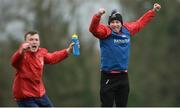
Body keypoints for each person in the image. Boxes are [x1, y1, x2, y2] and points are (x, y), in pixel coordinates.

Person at [89, 3, 161, 107]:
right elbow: (93, 29)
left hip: (123, 77)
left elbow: (140, 23)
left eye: (117, 22)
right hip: (108, 76)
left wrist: (153, 11)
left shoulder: (127, 30)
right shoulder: (105, 32)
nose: (115, 24)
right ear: (109, 24)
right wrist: (97, 16)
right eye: (112, 22)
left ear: (121, 23)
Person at [11, 31, 75, 107]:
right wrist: (20, 51)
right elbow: (13, 61)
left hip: (40, 94)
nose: (34, 42)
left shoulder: (41, 53)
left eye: (36, 40)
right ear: (25, 43)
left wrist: (68, 51)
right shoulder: (21, 56)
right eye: (31, 40)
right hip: (26, 97)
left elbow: (52, 57)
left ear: (39, 42)